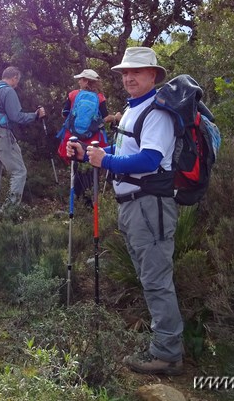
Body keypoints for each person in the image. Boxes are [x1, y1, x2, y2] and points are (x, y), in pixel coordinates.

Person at [67, 47, 183, 376]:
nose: (129, 77)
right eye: (125, 73)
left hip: (150, 207)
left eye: (137, 72)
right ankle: (163, 341)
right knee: (150, 277)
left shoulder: (157, 113)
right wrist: (91, 153)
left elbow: (149, 159)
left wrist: (106, 161)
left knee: (156, 280)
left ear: (153, 75)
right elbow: (123, 149)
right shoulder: (135, 109)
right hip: (134, 207)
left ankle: (168, 354)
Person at [0, 66, 46, 229]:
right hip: (2, 135)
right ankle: (7, 213)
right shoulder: (8, 91)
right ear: (14, 77)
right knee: (19, 171)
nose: (17, 83)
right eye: (18, 80)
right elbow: (17, 116)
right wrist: (36, 115)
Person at [56, 69, 118, 205]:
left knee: (75, 166)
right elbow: (104, 117)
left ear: (86, 81)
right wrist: (115, 118)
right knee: (90, 168)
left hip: (73, 138)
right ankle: (89, 201)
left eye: (81, 79)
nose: (79, 81)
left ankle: (76, 199)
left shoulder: (73, 95)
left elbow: (65, 113)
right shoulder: (100, 98)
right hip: (92, 139)